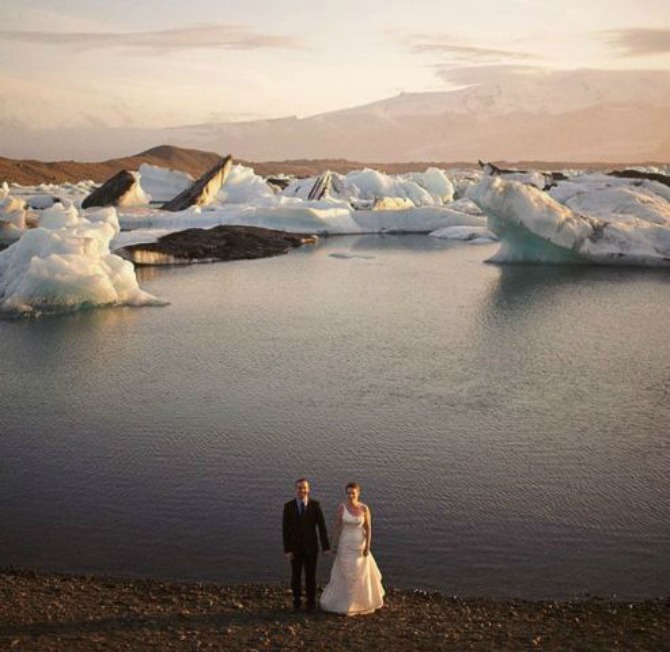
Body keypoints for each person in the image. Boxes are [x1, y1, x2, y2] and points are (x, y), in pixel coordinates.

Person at [320, 482, 384, 615]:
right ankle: (345, 602)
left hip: (359, 545)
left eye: (353, 493)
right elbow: (337, 527)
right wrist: (333, 544)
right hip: (345, 544)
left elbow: (368, 528)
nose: (350, 495)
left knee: (358, 572)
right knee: (346, 572)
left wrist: (367, 546)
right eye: (348, 493)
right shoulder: (342, 508)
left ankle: (359, 602)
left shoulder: (364, 508)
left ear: (358, 493)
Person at [282, 478, 330, 612]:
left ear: (308, 489)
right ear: (295, 489)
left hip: (311, 548)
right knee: (295, 576)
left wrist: (325, 547)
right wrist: (287, 549)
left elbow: (321, 527)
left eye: (304, 487)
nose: (301, 490)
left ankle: (310, 602)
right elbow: (285, 530)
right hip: (294, 548)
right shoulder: (289, 506)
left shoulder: (315, 505)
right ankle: (296, 602)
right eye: (299, 488)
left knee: (311, 576)